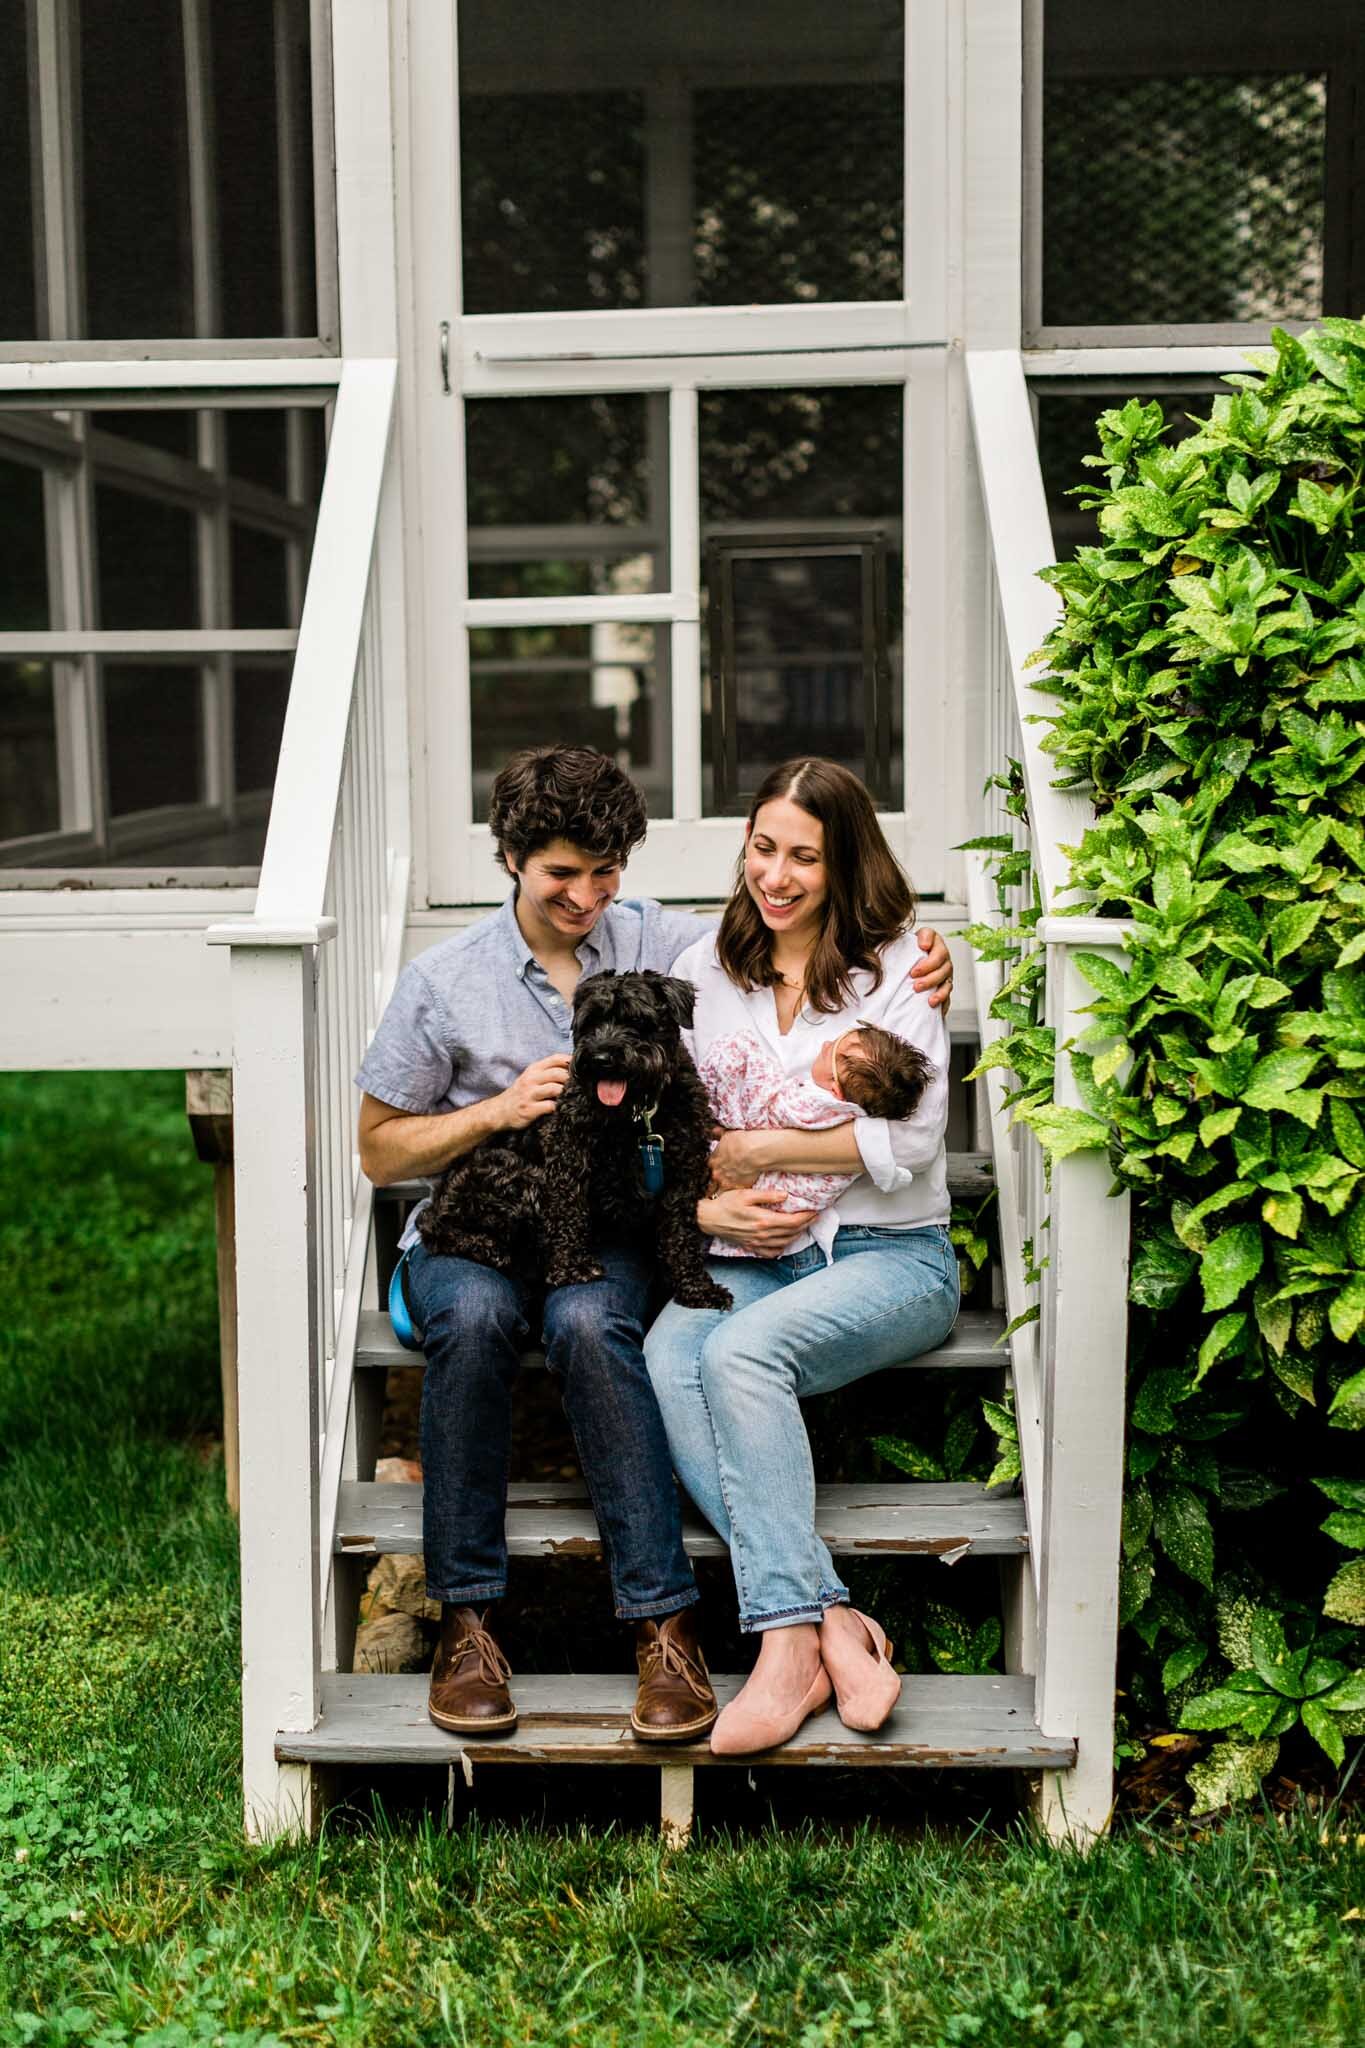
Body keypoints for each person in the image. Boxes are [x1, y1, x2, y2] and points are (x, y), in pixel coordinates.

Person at [354, 746, 954, 1743]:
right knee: (474, 1314)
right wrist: (494, 1110)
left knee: (598, 1322)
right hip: (482, 1224)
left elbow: (794, 929)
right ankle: (465, 1619)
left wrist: (922, 950)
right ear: (509, 858)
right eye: (560, 873)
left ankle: (665, 1625)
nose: (585, 895)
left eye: (605, 871)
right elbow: (377, 1146)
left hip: (610, 1227)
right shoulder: (442, 980)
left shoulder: (661, 943)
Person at [645, 757, 959, 1756]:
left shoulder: (901, 970)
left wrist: (764, 1149)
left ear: (846, 862)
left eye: (804, 857)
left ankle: (781, 1649)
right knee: (668, 1354)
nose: (776, 875)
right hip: (748, 1249)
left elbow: (906, 1145)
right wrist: (708, 1195)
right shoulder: (705, 968)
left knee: (740, 1355)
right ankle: (828, 1618)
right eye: (764, 847)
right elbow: (673, 1122)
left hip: (891, 1255)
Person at [697, 1022, 934, 1263]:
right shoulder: (858, 1117)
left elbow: (765, 1113)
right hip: (766, 1229)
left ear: (835, 1090)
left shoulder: (817, 1107)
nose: (826, 1044)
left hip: (776, 1212)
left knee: (735, 1049)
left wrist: (743, 1056)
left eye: (835, 1050)